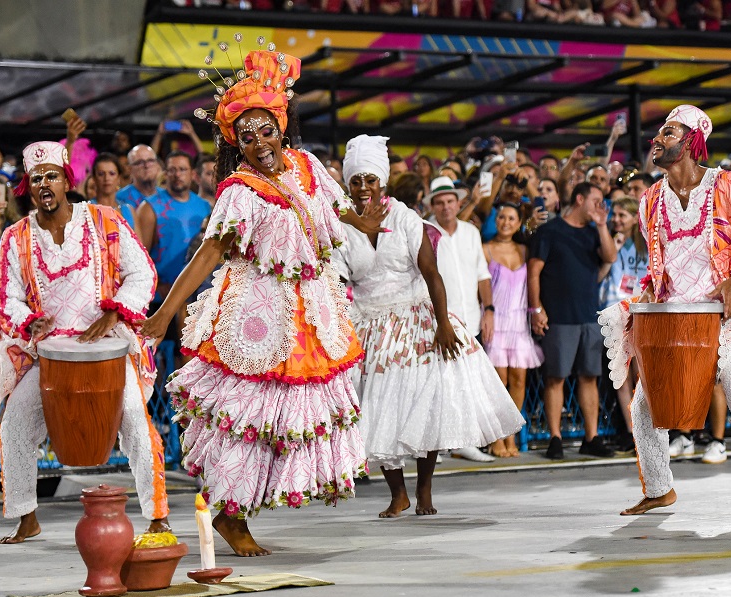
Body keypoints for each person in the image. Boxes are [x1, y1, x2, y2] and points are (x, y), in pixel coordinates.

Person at [140, 48, 382, 557]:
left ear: (281, 125)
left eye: (266, 130)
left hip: (310, 313)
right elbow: (209, 254)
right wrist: (163, 313)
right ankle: (230, 515)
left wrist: (382, 215)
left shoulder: (310, 167)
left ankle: (241, 506)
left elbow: (347, 216)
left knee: (285, 420)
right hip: (258, 314)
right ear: (235, 143)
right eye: (246, 137)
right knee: (247, 419)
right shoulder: (239, 191)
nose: (260, 143)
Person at [599, 105, 731, 520]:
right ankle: (660, 490)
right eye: (659, 132)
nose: (657, 138)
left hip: (726, 322)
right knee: (643, 404)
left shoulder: (730, 186)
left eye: (669, 131)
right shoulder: (648, 202)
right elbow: (659, 268)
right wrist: (646, 302)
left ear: (693, 139)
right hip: (676, 321)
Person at [0, 141, 170, 543]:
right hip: (49, 353)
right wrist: (29, 320)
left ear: (67, 180)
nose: (44, 184)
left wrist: (115, 312)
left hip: (108, 347)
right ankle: (26, 515)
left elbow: (142, 274)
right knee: (14, 425)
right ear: (28, 188)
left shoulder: (104, 219)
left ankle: (157, 516)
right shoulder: (15, 237)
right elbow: (7, 295)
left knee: (135, 421)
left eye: (51, 176)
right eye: (36, 179)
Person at [334, 134, 524, 518]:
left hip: (416, 317)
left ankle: (423, 489)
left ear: (383, 182)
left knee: (427, 405)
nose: (364, 187)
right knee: (377, 409)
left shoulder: (404, 217)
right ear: (347, 184)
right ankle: (396, 493)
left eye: (370, 179)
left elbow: (432, 274)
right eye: (356, 180)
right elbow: (338, 282)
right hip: (369, 323)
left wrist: (443, 325)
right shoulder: (339, 226)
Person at [529, 182, 617, 460]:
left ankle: (591, 437)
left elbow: (610, 257)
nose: (599, 206)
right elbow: (533, 272)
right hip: (559, 317)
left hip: (589, 316)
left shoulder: (594, 233)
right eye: (595, 200)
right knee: (556, 378)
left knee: (590, 377)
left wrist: (602, 226)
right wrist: (535, 309)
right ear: (580, 199)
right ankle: (554, 438)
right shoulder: (549, 231)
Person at [425, 176, 500, 463]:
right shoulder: (425, 231)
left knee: (467, 382)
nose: (446, 207)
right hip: (439, 320)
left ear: (458, 203)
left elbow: (482, 274)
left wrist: (489, 310)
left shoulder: (470, 232)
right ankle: (438, 444)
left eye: (450, 201)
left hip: (470, 316)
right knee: (438, 383)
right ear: (433, 205)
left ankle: (465, 441)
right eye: (440, 203)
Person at [483, 202, 544, 457]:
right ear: (496, 221)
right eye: (501, 218)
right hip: (497, 323)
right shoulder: (485, 249)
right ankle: (496, 436)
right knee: (499, 383)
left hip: (519, 323)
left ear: (519, 223)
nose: (505, 222)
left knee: (519, 380)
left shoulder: (524, 249)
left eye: (511, 218)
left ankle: (510, 434)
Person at [599, 197, 648, 451]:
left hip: (640, 314)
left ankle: (647, 426)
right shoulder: (609, 242)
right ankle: (631, 432)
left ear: (633, 217)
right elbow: (598, 276)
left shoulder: (647, 245)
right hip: (614, 313)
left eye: (622, 215)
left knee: (642, 374)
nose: (616, 220)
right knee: (621, 375)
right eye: (614, 215)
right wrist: (611, 252)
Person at [137, 151, 211, 297]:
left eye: (182, 169)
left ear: (193, 174)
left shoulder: (205, 207)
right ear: (165, 174)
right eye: (172, 170)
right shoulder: (149, 207)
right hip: (161, 295)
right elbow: (139, 258)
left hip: (197, 293)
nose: (177, 175)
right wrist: (157, 286)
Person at [90, 152, 138, 233]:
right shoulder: (86, 209)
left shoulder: (129, 210)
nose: (107, 178)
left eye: (112, 173)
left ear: (119, 178)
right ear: (94, 178)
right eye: (101, 174)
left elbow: (139, 244)